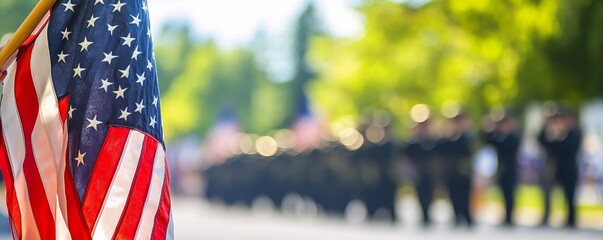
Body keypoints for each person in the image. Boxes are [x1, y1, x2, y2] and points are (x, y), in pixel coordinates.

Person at [538, 104, 581, 228]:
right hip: (553, 168)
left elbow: (568, 147)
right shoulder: (550, 132)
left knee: (569, 194)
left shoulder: (574, 133)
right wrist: (546, 127)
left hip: (568, 168)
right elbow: (542, 141)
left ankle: (571, 219)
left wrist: (559, 135)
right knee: (547, 193)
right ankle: (546, 216)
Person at [483, 109, 520, 226]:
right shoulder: (498, 137)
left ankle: (510, 216)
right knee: (502, 192)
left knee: (510, 193)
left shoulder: (513, 137)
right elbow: (487, 140)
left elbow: (506, 146)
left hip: (510, 169)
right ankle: (505, 215)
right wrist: (490, 127)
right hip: (500, 170)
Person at [404, 116, 441, 226]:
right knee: (420, 193)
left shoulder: (433, 141)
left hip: (430, 173)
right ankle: (423, 214)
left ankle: (428, 214)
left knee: (431, 194)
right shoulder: (414, 142)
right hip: (419, 173)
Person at [440, 110, 474, 227]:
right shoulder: (448, 138)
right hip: (451, 172)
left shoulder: (469, 137)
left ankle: (467, 216)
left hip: (465, 173)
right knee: (453, 195)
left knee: (465, 196)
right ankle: (456, 216)